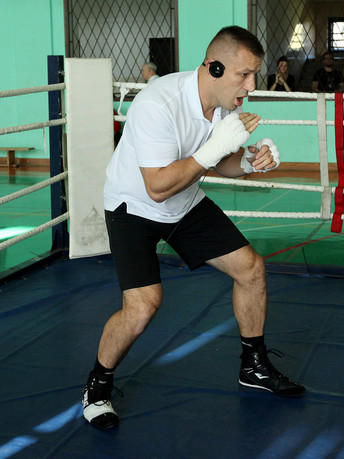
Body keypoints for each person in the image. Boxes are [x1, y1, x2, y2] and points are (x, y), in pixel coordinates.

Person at [82, 25, 306, 431]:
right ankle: (96, 387)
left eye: (255, 74)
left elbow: (221, 162)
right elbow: (157, 186)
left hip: (183, 201)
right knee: (143, 305)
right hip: (133, 206)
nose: (251, 86)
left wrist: (250, 163)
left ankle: (253, 365)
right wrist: (216, 148)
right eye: (244, 74)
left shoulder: (225, 103)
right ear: (215, 67)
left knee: (251, 269)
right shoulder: (158, 103)